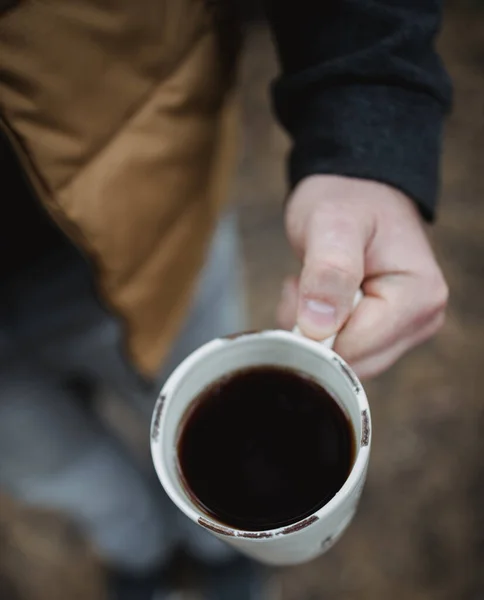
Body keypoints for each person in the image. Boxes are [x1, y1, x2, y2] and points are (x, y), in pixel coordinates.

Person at [0, 0, 451, 598]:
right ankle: (139, 551)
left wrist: (365, 133)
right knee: (61, 471)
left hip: (154, 233)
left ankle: (220, 554)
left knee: (215, 441)